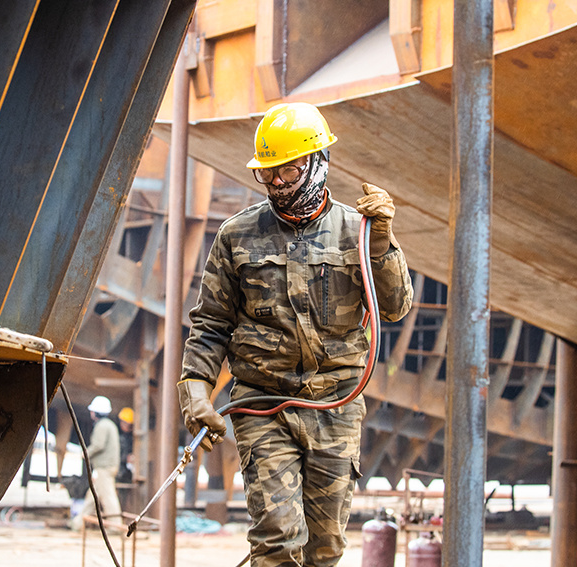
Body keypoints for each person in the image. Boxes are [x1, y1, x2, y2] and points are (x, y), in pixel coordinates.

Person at [177, 102, 413, 566]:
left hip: (337, 404)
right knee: (278, 541)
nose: (279, 183)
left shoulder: (358, 231)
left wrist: (380, 247)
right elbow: (210, 325)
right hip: (263, 405)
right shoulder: (236, 235)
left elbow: (395, 307)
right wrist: (196, 392)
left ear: (319, 161)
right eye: (269, 174)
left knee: (323, 551)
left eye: (288, 169)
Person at [69, 395, 122, 530]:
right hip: (105, 467)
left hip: (104, 468)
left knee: (108, 497)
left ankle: (116, 526)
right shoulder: (108, 425)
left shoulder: (102, 426)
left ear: (96, 412)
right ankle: (78, 523)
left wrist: (85, 453)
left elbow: (98, 445)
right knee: (91, 498)